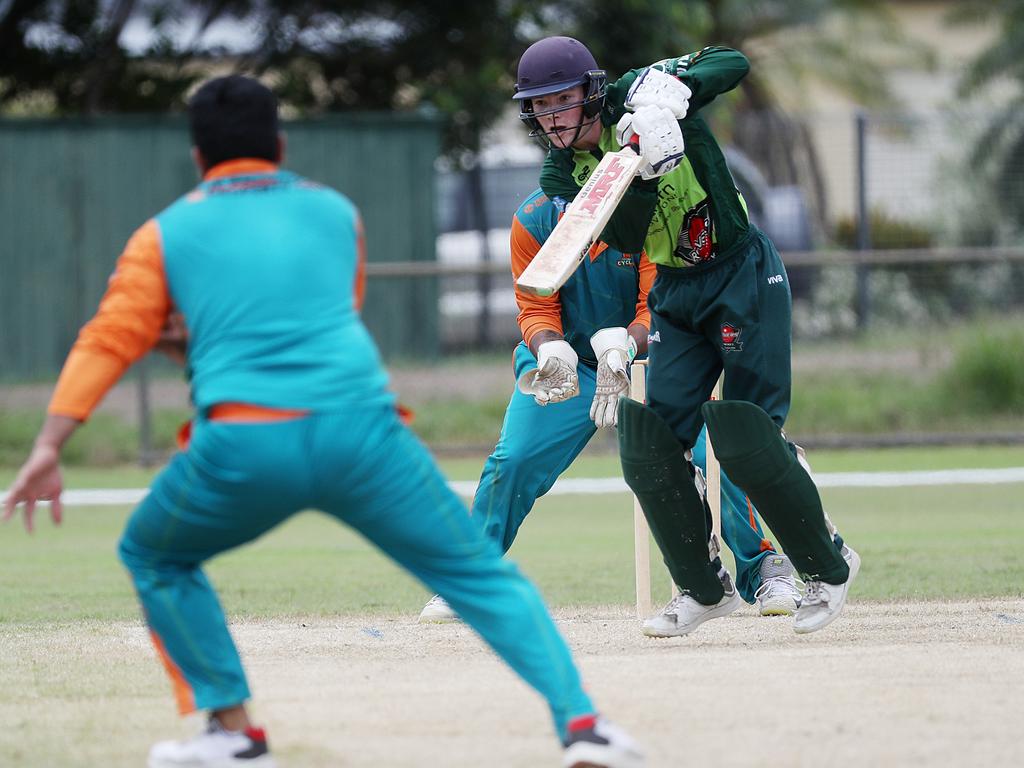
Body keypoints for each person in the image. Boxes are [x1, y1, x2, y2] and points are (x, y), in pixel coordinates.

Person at [1, 75, 644, 768]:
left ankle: (233, 732)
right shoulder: (335, 213)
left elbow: (107, 339)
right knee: (479, 574)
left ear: (196, 158)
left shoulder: (164, 233)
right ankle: (586, 727)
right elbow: (323, 310)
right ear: (279, 144)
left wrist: (50, 443)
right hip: (362, 436)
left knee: (153, 553)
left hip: (245, 445)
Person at [511, 36, 859, 637]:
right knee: (650, 442)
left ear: (591, 92)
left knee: (746, 431)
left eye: (562, 100)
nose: (552, 118)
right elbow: (621, 236)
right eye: (540, 107)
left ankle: (828, 568)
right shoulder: (561, 170)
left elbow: (732, 61)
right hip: (674, 289)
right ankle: (703, 587)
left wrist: (678, 93)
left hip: (740, 272)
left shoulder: (638, 93)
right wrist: (643, 170)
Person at [419, 186, 801, 624]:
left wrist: (627, 346)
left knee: (710, 452)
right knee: (515, 459)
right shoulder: (534, 219)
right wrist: (549, 350)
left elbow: (655, 304)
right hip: (571, 364)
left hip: (656, 357)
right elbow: (535, 305)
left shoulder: (647, 213)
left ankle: (764, 567)